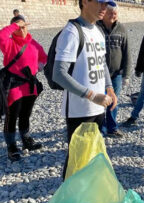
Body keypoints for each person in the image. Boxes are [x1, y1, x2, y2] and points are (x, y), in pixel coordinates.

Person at [53, 0, 117, 179]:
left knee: (93, 157)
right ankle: (68, 202)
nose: (105, 8)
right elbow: (58, 74)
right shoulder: (72, 31)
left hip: (98, 107)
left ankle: (87, 199)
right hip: (79, 110)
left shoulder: (98, 30)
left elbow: (101, 63)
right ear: (85, 2)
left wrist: (109, 88)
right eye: (100, 3)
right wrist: (91, 95)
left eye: (107, 4)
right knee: (76, 160)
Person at [0, 15, 47, 161]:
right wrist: (15, 25)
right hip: (14, 86)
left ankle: (26, 139)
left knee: (26, 114)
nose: (22, 29)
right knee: (12, 116)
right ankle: (11, 146)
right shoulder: (10, 43)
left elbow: (43, 57)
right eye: (18, 27)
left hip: (30, 85)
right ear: (13, 29)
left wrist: (39, 67)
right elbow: (1, 36)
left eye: (24, 26)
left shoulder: (33, 42)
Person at [97, 2, 131, 138]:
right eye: (110, 13)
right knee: (99, 101)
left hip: (116, 74)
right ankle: (100, 127)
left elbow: (127, 52)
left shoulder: (122, 28)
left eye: (115, 13)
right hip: (99, 73)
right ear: (104, 13)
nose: (113, 16)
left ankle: (112, 127)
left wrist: (126, 75)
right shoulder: (96, 27)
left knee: (113, 101)